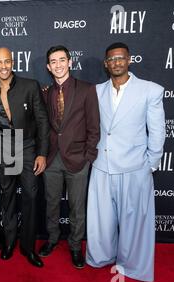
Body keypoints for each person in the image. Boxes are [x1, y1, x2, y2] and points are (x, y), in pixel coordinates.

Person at [86, 42, 165, 282]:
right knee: (100, 221)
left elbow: (157, 130)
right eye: (111, 59)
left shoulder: (150, 90)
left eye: (121, 58)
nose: (116, 62)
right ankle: (101, 257)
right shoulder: (97, 91)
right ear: (105, 64)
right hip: (102, 165)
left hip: (135, 167)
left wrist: (150, 164)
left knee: (134, 223)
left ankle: (132, 266)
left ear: (129, 60)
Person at [0, 47, 50, 268]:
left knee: (30, 197)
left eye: (7, 62)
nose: (3, 66)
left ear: (13, 63)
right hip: (2, 148)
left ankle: (28, 247)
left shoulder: (30, 86)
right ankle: (9, 242)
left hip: (28, 147)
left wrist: (41, 153)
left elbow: (42, 121)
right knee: (7, 196)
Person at [39, 45, 100, 269]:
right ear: (48, 66)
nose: (58, 65)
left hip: (78, 159)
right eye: (53, 61)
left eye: (62, 60)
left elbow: (94, 126)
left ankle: (75, 246)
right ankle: (52, 239)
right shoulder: (45, 93)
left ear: (70, 62)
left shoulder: (87, 89)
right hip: (52, 158)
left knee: (77, 207)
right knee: (51, 203)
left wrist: (88, 156)